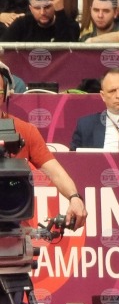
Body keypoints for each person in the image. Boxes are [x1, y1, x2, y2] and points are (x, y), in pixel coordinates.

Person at [0, 64, 86, 230]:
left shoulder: (25, 130)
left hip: (16, 229)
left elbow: (55, 172)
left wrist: (75, 197)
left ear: (6, 95)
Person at [2, 0, 79, 41]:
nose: (42, 12)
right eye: (37, 8)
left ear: (55, 6)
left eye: (47, 7)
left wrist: (60, 12)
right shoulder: (21, 24)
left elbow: (66, 53)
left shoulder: (71, 25)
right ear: (31, 9)